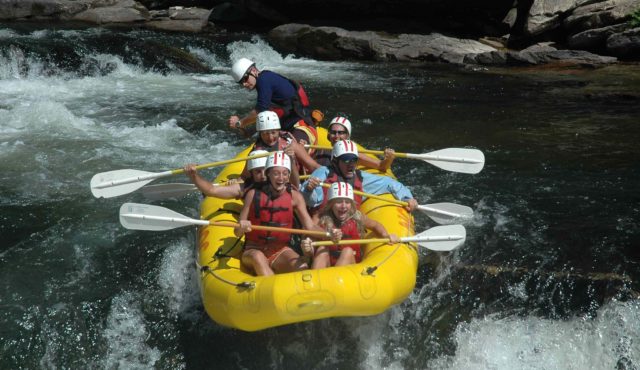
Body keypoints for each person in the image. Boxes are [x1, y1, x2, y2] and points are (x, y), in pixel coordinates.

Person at [234, 151, 336, 276]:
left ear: (288, 176)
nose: (281, 178)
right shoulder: (252, 194)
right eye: (276, 173)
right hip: (252, 250)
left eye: (285, 173)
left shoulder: (295, 197)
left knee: (302, 266)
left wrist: (329, 234)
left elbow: (310, 227)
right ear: (268, 174)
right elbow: (236, 232)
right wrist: (241, 227)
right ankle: (271, 289)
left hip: (279, 251)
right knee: (258, 257)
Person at [301, 140, 419, 214]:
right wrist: (309, 189)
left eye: (354, 160)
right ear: (336, 161)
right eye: (346, 160)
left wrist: (407, 198)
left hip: (349, 222)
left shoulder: (360, 178)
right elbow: (312, 201)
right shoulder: (323, 173)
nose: (351, 164)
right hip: (325, 222)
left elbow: (389, 183)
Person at [301, 182, 399, 268]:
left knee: (347, 251)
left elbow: (375, 225)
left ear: (351, 204)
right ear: (331, 204)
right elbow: (310, 250)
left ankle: (334, 281)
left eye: (347, 202)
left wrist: (386, 235)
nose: (343, 206)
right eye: (339, 202)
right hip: (326, 265)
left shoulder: (357, 217)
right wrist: (308, 250)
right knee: (322, 249)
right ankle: (317, 284)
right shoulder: (319, 219)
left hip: (350, 269)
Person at [228, 58, 317, 147]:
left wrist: (239, 123)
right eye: (241, 82)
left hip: (300, 125)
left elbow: (259, 111)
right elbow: (263, 115)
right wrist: (243, 129)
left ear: (254, 71)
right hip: (289, 125)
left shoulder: (264, 80)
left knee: (293, 150)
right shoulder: (266, 78)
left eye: (245, 78)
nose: (244, 84)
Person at [314, 115, 395, 172]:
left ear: (347, 135)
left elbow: (381, 166)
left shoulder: (354, 155)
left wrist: (389, 159)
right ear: (328, 135)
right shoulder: (321, 152)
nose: (336, 136)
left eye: (341, 133)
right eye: (333, 132)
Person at [248, 111, 319, 176]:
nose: (270, 138)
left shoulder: (291, 144)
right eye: (265, 134)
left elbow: (314, 167)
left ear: (279, 130)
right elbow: (244, 176)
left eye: (273, 132)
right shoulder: (255, 153)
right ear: (260, 134)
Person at [183, 150, 268, 199]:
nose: (263, 175)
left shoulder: (279, 181)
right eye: (258, 171)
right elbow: (211, 190)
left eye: (266, 170)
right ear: (251, 173)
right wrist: (194, 175)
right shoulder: (244, 188)